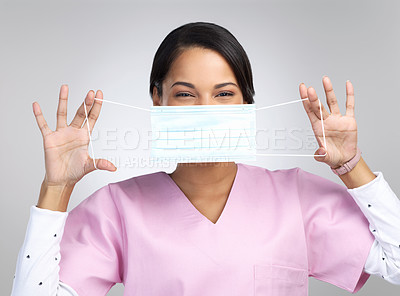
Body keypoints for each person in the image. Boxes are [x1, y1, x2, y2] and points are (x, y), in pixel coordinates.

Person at [11, 22, 400, 296]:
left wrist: (352, 168)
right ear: (157, 100)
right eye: (184, 94)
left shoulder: (295, 198)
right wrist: (56, 189)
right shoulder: (118, 210)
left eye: (224, 94)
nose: (205, 108)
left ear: (247, 103)